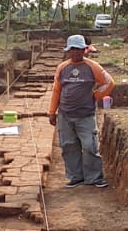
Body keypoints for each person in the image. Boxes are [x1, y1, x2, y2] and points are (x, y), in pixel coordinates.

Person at [47, 34, 115, 188]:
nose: (75, 52)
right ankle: (76, 176)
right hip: (65, 114)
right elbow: (57, 90)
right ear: (68, 51)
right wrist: (52, 111)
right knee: (69, 146)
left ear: (84, 50)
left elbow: (109, 83)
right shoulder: (62, 68)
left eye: (78, 49)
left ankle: (94, 177)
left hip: (86, 115)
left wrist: (95, 96)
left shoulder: (93, 67)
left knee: (90, 146)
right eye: (72, 49)